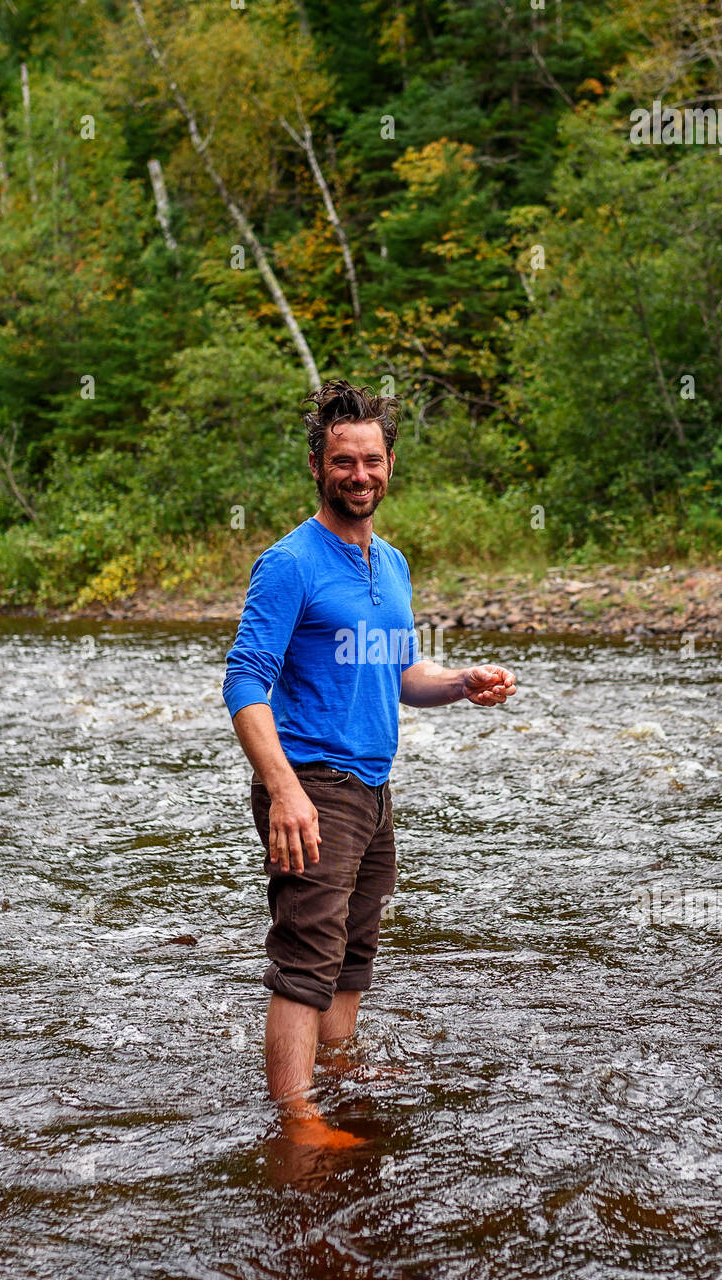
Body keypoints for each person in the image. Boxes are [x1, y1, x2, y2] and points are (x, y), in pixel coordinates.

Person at [223, 380, 517, 1146]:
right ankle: (294, 1121)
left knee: (354, 951)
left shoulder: (391, 563)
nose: (361, 475)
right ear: (318, 465)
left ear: (390, 465)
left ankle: (340, 1072)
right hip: (312, 785)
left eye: (373, 460)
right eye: (344, 461)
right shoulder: (289, 563)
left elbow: (400, 676)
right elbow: (244, 681)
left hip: (373, 787)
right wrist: (284, 791)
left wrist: (458, 683)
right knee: (305, 956)